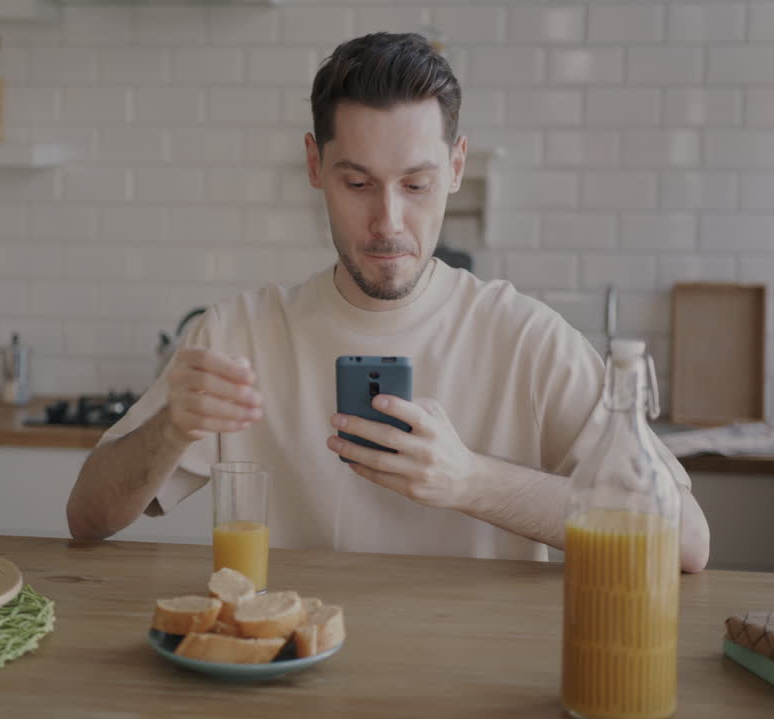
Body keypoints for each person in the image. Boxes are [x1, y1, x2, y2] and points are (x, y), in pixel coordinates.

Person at [67, 33, 711, 573]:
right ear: (315, 165)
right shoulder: (241, 335)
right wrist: (170, 429)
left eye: (417, 183)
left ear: (456, 167)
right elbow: (87, 519)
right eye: (357, 183)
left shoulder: (528, 341)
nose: (388, 221)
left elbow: (686, 541)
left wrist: (471, 482)